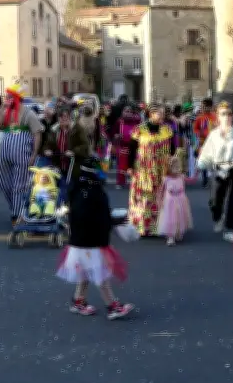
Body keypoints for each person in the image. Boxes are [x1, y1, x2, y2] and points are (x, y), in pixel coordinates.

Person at [55, 157, 134, 320]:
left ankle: (78, 301)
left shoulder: (77, 188)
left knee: (84, 273)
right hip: (91, 242)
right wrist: (115, 221)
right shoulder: (94, 192)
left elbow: (81, 215)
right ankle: (112, 306)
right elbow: (98, 217)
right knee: (101, 274)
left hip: (79, 241)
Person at [0, 83, 44, 225]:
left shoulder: (28, 113)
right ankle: (16, 208)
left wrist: (33, 154)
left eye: (10, 97)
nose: (7, 99)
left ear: (16, 98)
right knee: (3, 183)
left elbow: (37, 134)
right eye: (6, 97)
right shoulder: (6, 113)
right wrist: (2, 107)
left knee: (19, 185)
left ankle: (17, 215)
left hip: (23, 154)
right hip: (5, 154)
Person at [197, 101, 233, 243]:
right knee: (215, 201)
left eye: (229, 114)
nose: (227, 117)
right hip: (219, 169)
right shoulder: (213, 135)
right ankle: (218, 217)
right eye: (223, 114)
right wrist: (201, 164)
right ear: (218, 116)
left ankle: (230, 229)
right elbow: (206, 154)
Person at [126, 104, 176, 237]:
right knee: (144, 198)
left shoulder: (167, 130)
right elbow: (131, 150)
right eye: (160, 113)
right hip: (144, 170)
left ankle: (161, 226)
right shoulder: (139, 130)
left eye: (163, 113)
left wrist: (173, 165)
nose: (162, 116)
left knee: (161, 198)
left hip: (162, 170)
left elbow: (173, 149)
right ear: (151, 114)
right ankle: (143, 226)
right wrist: (129, 167)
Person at [157, 156, 194, 246]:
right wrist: (159, 201)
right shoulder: (166, 178)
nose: (177, 169)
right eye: (174, 167)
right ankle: (170, 236)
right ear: (169, 168)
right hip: (170, 200)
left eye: (178, 167)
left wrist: (196, 172)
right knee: (170, 217)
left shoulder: (181, 176)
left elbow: (191, 180)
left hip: (181, 199)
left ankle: (178, 232)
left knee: (180, 216)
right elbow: (160, 191)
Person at [113, 105, 141, 189]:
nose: (128, 113)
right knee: (121, 166)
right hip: (122, 146)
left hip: (135, 147)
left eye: (129, 111)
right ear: (122, 112)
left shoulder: (137, 121)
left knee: (135, 165)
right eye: (126, 111)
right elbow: (114, 132)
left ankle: (136, 182)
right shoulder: (119, 121)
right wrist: (116, 136)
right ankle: (120, 182)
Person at [193, 98, 217, 186]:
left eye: (204, 106)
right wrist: (200, 133)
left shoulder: (215, 117)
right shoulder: (200, 118)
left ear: (210, 107)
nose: (203, 108)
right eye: (202, 106)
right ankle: (204, 178)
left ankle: (214, 177)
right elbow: (195, 129)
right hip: (202, 142)